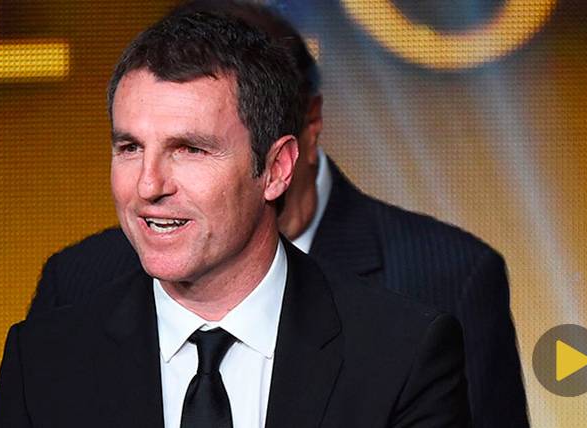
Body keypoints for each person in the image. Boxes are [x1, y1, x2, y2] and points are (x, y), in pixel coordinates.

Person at [27, 2, 528, 427]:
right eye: (130, 147)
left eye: (191, 149)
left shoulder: (431, 301)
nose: (149, 185)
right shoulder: (66, 303)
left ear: (281, 160)